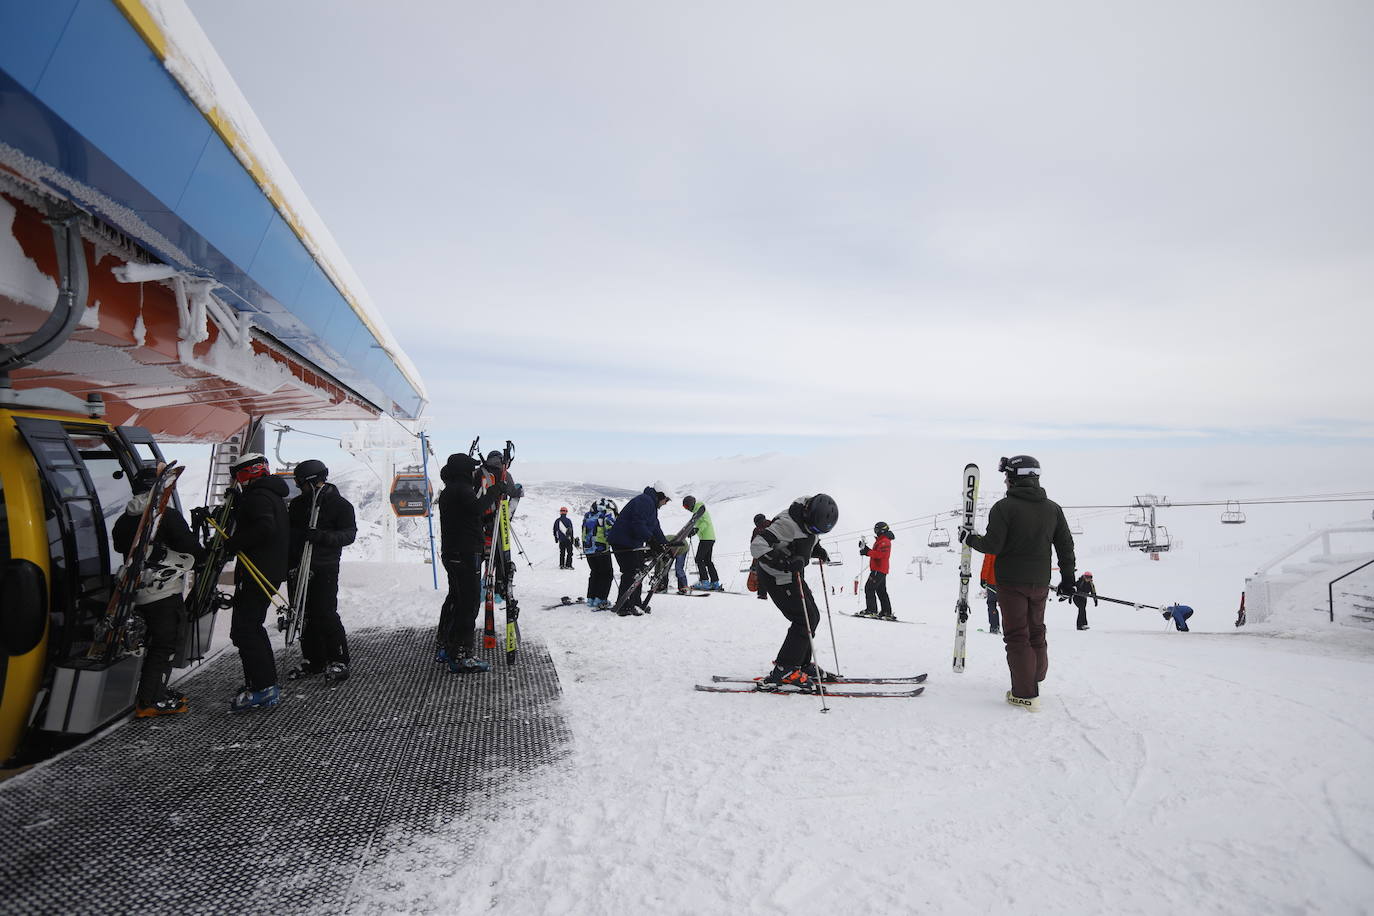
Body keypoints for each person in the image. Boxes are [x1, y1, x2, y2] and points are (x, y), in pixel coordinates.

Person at [962, 455, 1075, 713]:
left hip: (1011, 582)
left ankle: (1025, 694)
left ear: (1014, 478)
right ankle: (1034, 677)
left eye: (1006, 476)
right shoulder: (1052, 508)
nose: (1004, 481)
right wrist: (1068, 578)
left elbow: (992, 545)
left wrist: (970, 539)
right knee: (1036, 629)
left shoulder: (1004, 508)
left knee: (1016, 635)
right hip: (1040, 582)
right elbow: (1065, 546)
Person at [112, 465, 206, 717]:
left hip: (136, 590)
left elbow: (122, 545)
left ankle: (151, 691)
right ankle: (150, 700)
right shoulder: (167, 516)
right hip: (163, 591)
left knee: (150, 642)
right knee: (165, 643)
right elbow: (192, 550)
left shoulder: (124, 519)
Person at [222, 452, 290, 712]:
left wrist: (234, 543)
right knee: (249, 628)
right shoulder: (270, 494)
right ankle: (261, 682)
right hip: (266, 570)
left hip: (257, 572)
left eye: (238, 475)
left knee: (246, 630)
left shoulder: (259, 497)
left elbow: (264, 527)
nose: (237, 481)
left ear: (247, 473)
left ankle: (263, 686)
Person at [750, 494, 838, 691]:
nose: (815, 531)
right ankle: (785, 669)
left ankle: (801, 664)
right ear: (808, 515)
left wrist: (816, 550)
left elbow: (806, 539)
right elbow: (757, 545)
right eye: (814, 528)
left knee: (812, 617)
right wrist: (784, 562)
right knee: (803, 619)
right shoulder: (787, 524)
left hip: (792, 576)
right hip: (777, 578)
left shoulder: (810, 519)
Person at [285, 459, 357, 681]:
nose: (298, 488)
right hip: (299, 566)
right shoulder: (298, 505)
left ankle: (338, 659)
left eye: (300, 483)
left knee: (325, 613)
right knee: (303, 615)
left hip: (324, 566)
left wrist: (322, 537)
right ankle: (314, 659)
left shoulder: (340, 505)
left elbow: (349, 535)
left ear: (312, 481)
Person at [437, 452, 504, 672]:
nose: (474, 472)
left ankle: (448, 648)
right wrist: (494, 493)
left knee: (457, 599)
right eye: (471, 469)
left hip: (453, 552)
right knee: (468, 605)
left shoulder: (450, 491)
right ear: (463, 471)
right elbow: (475, 509)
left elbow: (467, 516)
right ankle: (461, 655)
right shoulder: (461, 490)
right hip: (465, 553)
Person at [606, 486, 670, 616]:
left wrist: (665, 545)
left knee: (639, 571)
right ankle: (623, 605)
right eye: (666, 500)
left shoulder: (650, 505)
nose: (666, 503)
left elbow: (655, 528)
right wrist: (651, 541)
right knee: (631, 572)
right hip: (622, 541)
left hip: (632, 543)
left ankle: (635, 603)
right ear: (661, 495)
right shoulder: (645, 501)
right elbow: (638, 524)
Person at [581, 499, 618, 609]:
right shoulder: (607, 514)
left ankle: (590, 599)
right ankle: (601, 599)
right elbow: (611, 531)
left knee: (595, 573)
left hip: (588, 550)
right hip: (601, 549)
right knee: (607, 574)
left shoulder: (587, 515)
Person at [857, 521, 896, 620]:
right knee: (881, 591)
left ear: (882, 530)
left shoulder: (884, 541)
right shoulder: (881, 540)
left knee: (869, 588)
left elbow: (880, 555)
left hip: (878, 569)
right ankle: (886, 612)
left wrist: (867, 551)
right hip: (879, 569)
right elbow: (876, 553)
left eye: (877, 530)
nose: (876, 532)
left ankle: (871, 610)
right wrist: (865, 549)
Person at [682, 496, 721, 590]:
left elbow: (705, 522)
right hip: (709, 538)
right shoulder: (699, 510)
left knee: (699, 559)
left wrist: (696, 530)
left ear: (691, 504)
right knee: (707, 561)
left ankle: (704, 582)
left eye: (686, 507)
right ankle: (715, 582)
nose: (687, 509)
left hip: (706, 538)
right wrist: (693, 530)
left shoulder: (700, 509)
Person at [750, 513, 771, 601]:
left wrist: (754, 563)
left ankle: (762, 594)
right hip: (774, 554)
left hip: (763, 555)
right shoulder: (772, 524)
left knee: (762, 574)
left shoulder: (757, 530)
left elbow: (753, 544)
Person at [979, 553, 1001, 634]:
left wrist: (983, 577)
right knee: (1006, 606)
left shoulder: (991, 545)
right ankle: (1010, 629)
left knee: (992, 603)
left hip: (992, 581)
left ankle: (994, 627)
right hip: (1006, 581)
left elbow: (987, 561)